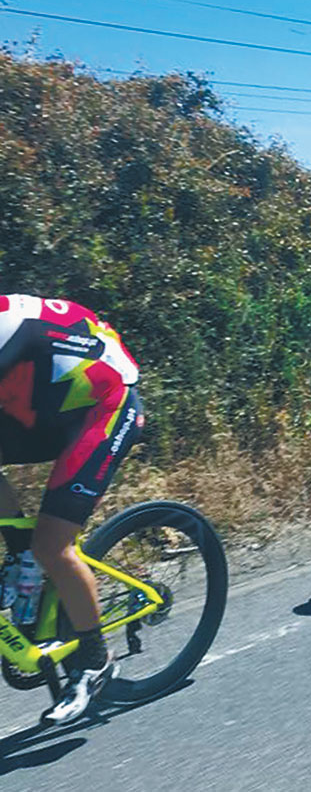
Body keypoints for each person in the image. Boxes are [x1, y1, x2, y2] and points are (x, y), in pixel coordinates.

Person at [0, 294, 144, 724]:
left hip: (105, 406)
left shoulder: (6, 332)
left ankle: (95, 659)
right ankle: (21, 555)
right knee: (35, 549)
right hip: (48, 404)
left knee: (54, 546)